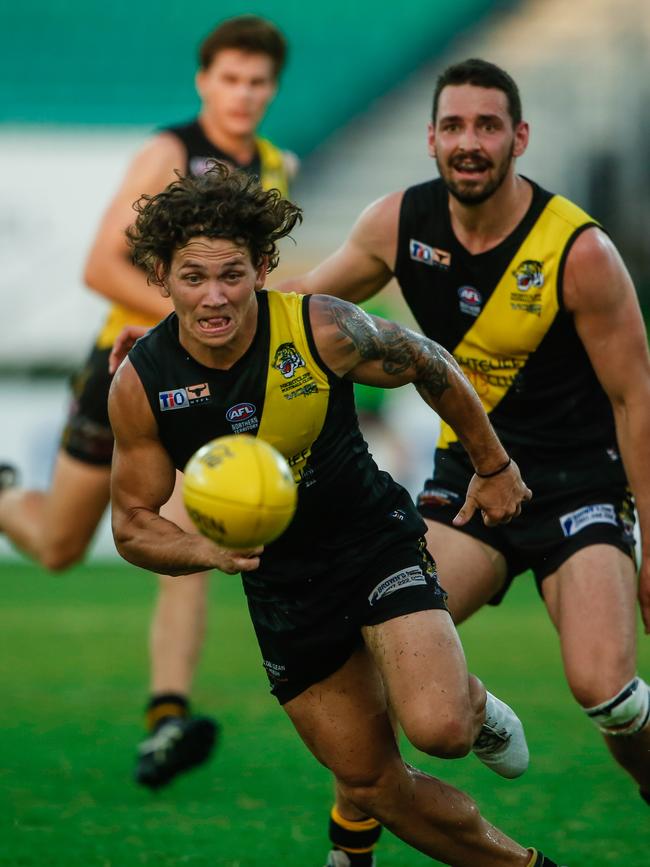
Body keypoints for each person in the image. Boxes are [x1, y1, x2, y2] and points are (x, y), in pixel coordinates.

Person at [107, 160, 564, 867]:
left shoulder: (323, 328)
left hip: (372, 542)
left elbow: (427, 360)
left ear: (263, 265)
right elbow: (132, 522)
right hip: (285, 589)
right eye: (193, 277)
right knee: (370, 781)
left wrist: (493, 464)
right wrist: (208, 553)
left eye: (232, 273)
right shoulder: (142, 383)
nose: (215, 296)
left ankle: (471, 704)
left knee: (439, 727)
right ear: (161, 278)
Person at [274, 57, 650, 864]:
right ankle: (354, 836)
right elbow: (306, 304)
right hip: (473, 482)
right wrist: (193, 326)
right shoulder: (397, 223)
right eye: (454, 126)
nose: (469, 142)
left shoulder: (579, 250)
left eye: (487, 126)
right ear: (432, 138)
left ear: (519, 137)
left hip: (580, 488)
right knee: (373, 637)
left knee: (609, 695)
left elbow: (637, 402)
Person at [0, 15, 297, 789]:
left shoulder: (274, 167)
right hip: (125, 367)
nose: (243, 94)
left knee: (192, 537)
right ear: (204, 82)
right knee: (60, 546)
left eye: (258, 81)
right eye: (230, 79)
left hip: (206, 377)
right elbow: (101, 264)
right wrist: (186, 320)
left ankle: (165, 716)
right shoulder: (169, 153)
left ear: (274, 88)